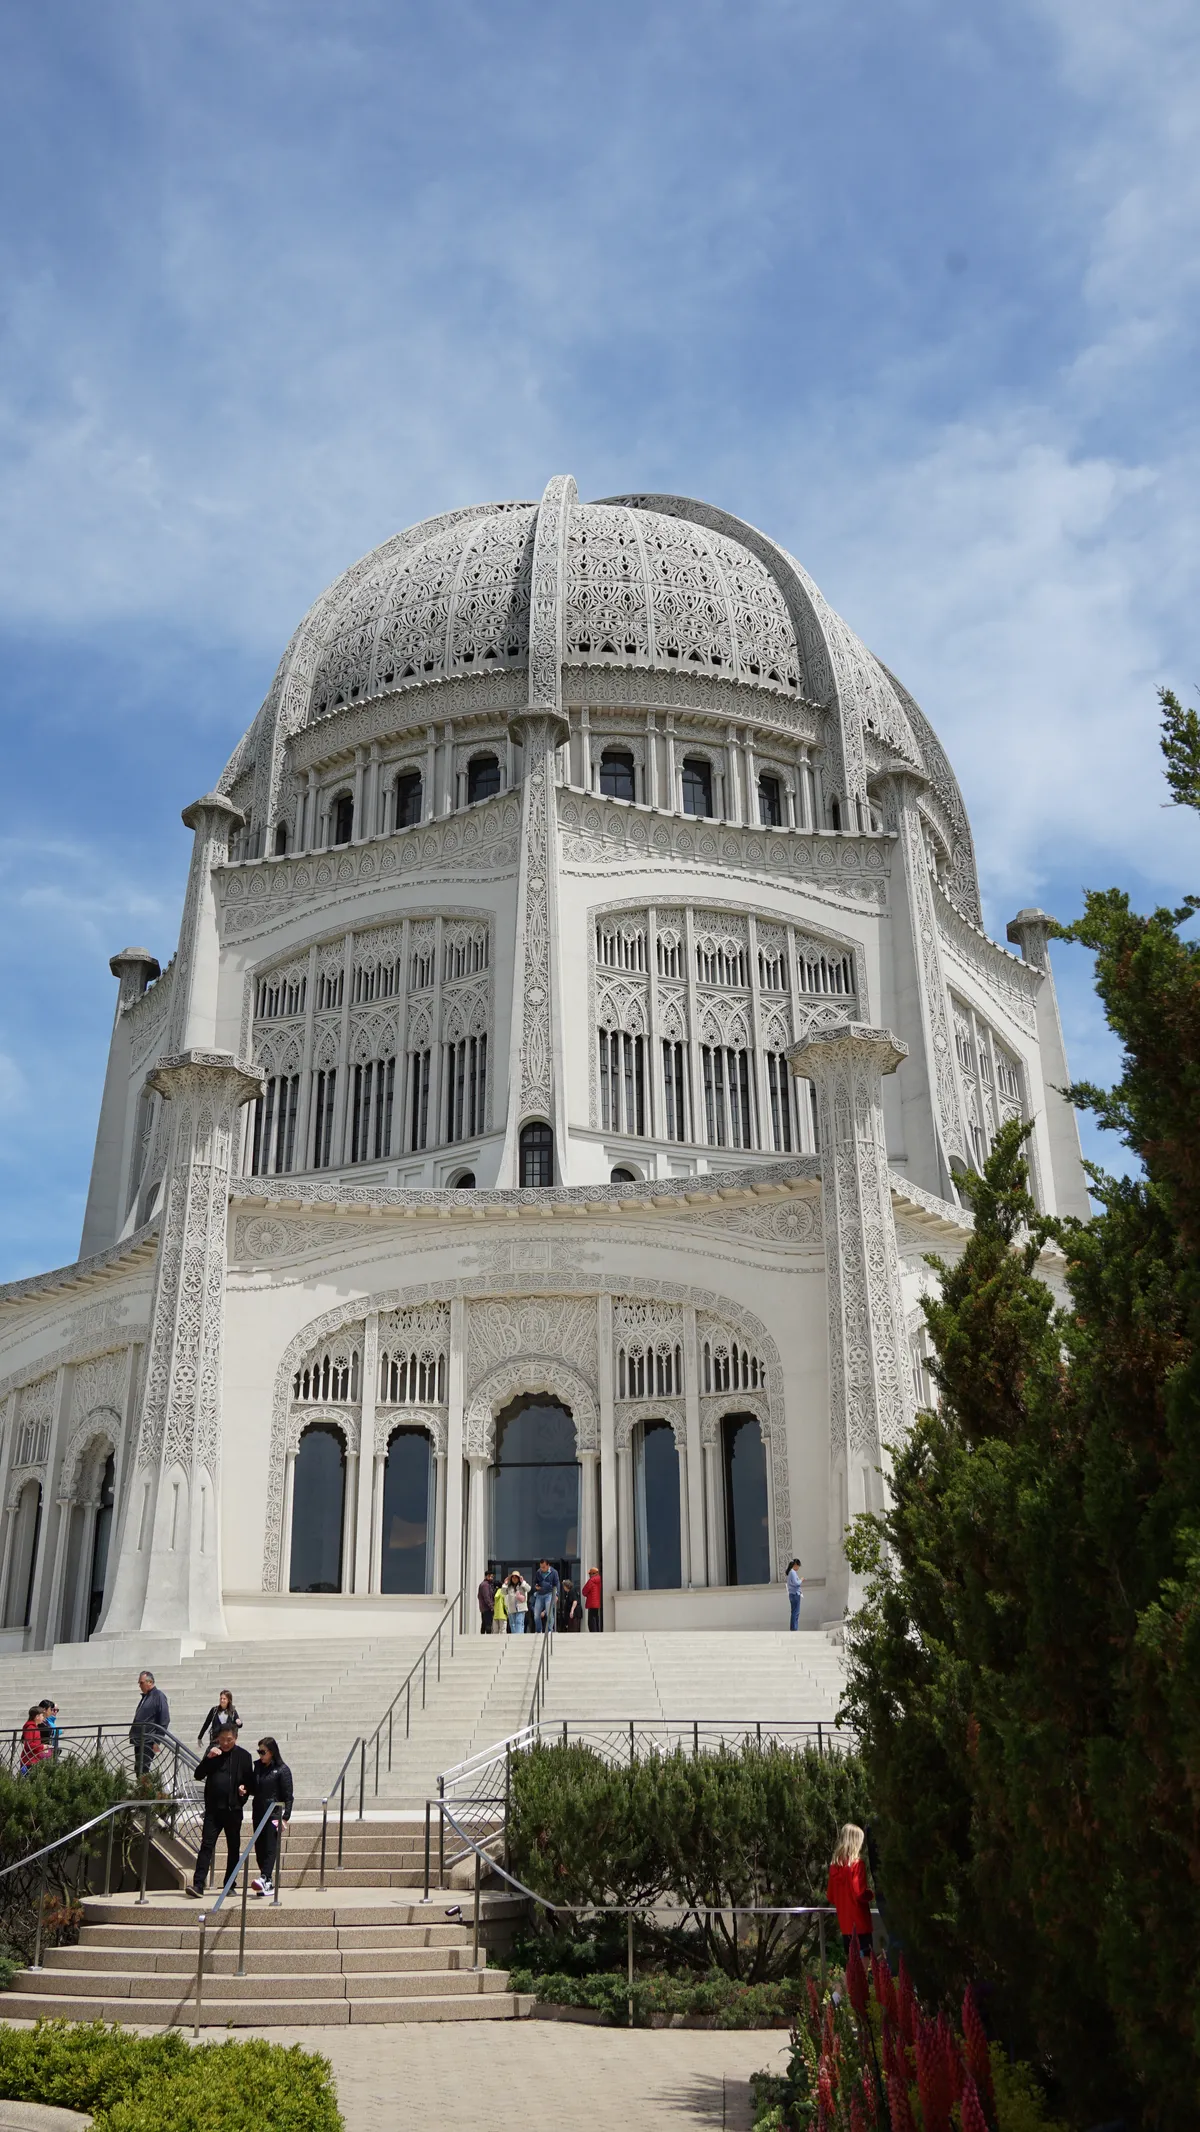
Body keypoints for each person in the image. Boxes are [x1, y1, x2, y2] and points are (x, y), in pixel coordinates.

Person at [186, 1725, 255, 1897]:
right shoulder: (213, 1753)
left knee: (233, 1847)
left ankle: (230, 1885)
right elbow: (198, 1774)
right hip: (213, 1810)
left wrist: (243, 1792)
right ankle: (198, 1885)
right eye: (222, 1739)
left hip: (233, 1810)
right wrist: (208, 1759)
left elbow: (250, 1784)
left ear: (236, 1738)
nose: (225, 1743)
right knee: (206, 1845)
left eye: (229, 1740)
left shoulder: (244, 1756)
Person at [250, 1736, 293, 1898]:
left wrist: (285, 1817)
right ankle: (266, 1880)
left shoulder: (282, 1770)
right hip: (258, 1812)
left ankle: (264, 1877)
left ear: (272, 1752)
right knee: (259, 1847)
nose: (260, 1755)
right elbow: (254, 1788)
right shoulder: (258, 1768)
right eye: (258, 1751)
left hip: (274, 1813)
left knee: (269, 1846)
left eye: (263, 1752)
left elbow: (288, 1796)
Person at [827, 1822, 874, 1961]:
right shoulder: (857, 1865)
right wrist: (870, 1894)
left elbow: (830, 1896)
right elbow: (859, 1892)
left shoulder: (834, 1867)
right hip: (860, 1924)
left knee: (852, 1966)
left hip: (845, 1925)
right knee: (864, 1964)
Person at [129, 1671, 170, 1777]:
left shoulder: (158, 1696)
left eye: (141, 1683)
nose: (139, 1685)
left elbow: (164, 1719)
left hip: (148, 1740)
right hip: (139, 1739)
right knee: (139, 1769)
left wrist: (157, 1741)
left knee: (143, 1769)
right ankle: (141, 1791)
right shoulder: (146, 1697)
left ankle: (145, 1792)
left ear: (150, 1682)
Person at [530, 1558, 559, 1634]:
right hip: (540, 1594)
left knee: (549, 1612)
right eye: (541, 1567)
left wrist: (556, 1595)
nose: (542, 1569)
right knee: (536, 1614)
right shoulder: (538, 1572)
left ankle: (550, 1630)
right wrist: (536, 1586)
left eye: (543, 1567)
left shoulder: (554, 1572)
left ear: (548, 1565)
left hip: (549, 1594)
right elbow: (534, 1582)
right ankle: (539, 1630)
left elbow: (556, 1584)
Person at [19, 1708, 49, 1774]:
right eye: (42, 1715)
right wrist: (42, 1747)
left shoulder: (34, 1727)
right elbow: (28, 1744)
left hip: (34, 1759)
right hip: (29, 1760)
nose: (43, 1718)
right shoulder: (30, 1727)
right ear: (37, 1717)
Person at [582, 1565, 602, 1634]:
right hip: (597, 1602)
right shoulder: (599, 1580)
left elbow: (584, 1591)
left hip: (591, 1602)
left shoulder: (591, 1581)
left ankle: (593, 1632)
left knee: (591, 1619)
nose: (589, 1575)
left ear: (594, 1573)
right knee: (596, 1617)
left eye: (590, 1574)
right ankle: (597, 1631)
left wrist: (587, 1595)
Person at [786, 1558, 804, 1632]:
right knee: (796, 1612)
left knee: (794, 1611)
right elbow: (796, 1583)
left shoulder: (790, 1572)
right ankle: (794, 1628)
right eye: (798, 1566)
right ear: (795, 1565)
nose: (798, 1568)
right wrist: (801, 1580)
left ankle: (793, 1628)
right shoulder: (792, 1572)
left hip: (792, 1594)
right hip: (795, 1594)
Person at [477, 1568, 496, 1634]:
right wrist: (491, 1606)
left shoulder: (487, 1584)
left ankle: (483, 1636)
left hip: (484, 1608)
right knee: (488, 1624)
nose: (491, 1578)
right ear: (486, 1576)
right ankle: (488, 1636)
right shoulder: (485, 1585)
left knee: (484, 1623)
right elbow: (486, 1597)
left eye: (492, 1576)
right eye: (490, 1576)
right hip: (487, 1608)